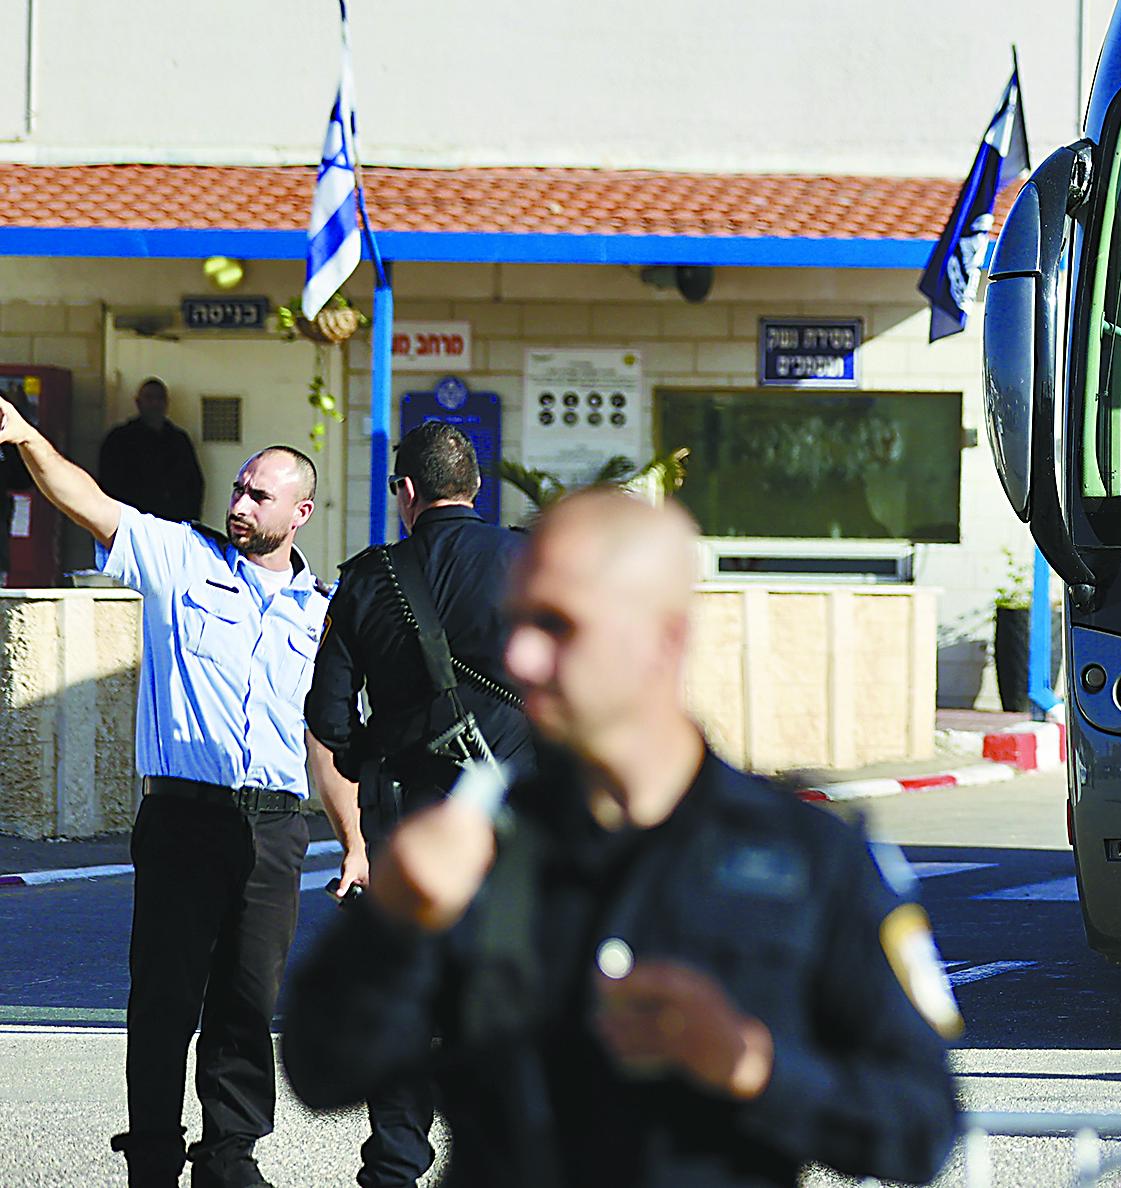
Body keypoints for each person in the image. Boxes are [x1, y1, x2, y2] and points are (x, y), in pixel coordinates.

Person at [282, 489, 962, 1188]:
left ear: (664, 640)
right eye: (515, 622)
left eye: (558, 625)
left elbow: (921, 1126)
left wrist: (750, 1064)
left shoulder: (806, 855)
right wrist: (391, 925)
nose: (520, 655)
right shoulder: (477, 847)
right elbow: (320, 1070)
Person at [0, 393, 331, 1188]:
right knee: (164, 1002)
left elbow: (333, 737)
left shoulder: (325, 611)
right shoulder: (182, 557)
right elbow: (85, 499)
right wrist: (22, 436)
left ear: (302, 511)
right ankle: (151, 1157)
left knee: (248, 1005)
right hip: (185, 815)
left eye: (260, 494)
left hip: (277, 828)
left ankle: (230, 1157)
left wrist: (354, 839)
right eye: (240, 488)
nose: (240, 502)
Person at [304, 419, 534, 1188]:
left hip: (410, 838)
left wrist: (380, 758)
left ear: (405, 492)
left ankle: (395, 1169)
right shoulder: (527, 563)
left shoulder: (367, 578)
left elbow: (329, 722)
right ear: (475, 488)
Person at [99, 378, 206, 525]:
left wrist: (190, 521)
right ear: (138, 402)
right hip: (132, 524)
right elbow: (108, 484)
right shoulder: (119, 439)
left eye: (160, 398)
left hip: (172, 524)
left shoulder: (179, 440)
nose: (155, 403)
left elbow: (194, 483)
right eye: (149, 398)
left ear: (166, 403)